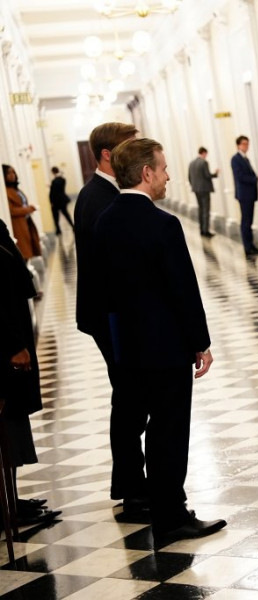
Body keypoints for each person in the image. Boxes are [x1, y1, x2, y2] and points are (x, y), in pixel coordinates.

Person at [93, 137, 225, 546]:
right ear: (147, 173)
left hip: (129, 345)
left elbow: (102, 289)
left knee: (148, 427)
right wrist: (200, 342)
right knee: (169, 431)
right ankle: (171, 516)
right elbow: (182, 289)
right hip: (166, 346)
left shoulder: (105, 221)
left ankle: (162, 504)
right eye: (163, 168)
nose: (168, 176)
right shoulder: (162, 223)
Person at [73, 122, 149, 518]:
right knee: (131, 399)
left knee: (130, 397)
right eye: (130, 146)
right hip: (111, 316)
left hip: (112, 313)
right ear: (108, 155)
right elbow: (117, 266)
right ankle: (133, 491)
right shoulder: (99, 198)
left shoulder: (104, 192)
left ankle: (129, 483)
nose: (138, 152)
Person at [0, 218, 61, 526]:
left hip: (13, 340)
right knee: (5, 428)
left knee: (12, 426)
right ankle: (5, 507)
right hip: (4, 350)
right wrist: (14, 345)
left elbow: (20, 280)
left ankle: (11, 499)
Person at [230, 135, 258, 257]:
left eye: (247, 144)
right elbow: (240, 177)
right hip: (245, 195)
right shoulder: (235, 159)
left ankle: (251, 246)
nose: (246, 146)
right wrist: (256, 178)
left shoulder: (245, 158)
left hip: (249, 194)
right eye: (244, 144)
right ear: (238, 145)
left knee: (248, 221)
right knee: (246, 222)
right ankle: (248, 247)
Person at [3, 165, 42, 260]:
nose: (12, 175)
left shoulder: (15, 189)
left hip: (26, 221)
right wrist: (29, 209)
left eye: (13, 172)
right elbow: (11, 211)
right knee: (23, 252)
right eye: (8, 173)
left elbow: (22, 204)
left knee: (29, 248)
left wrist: (29, 209)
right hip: (18, 224)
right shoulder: (5, 191)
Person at [187, 147, 219, 238]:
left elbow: (189, 177)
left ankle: (201, 229)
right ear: (204, 153)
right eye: (206, 154)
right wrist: (215, 174)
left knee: (201, 209)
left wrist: (194, 186)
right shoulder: (204, 162)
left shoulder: (191, 163)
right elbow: (207, 175)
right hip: (204, 189)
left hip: (196, 189)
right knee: (206, 210)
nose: (206, 156)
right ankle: (206, 231)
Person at [49, 167, 74, 235]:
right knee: (66, 214)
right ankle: (72, 226)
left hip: (56, 201)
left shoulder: (54, 181)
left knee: (55, 216)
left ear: (53, 172)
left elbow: (53, 192)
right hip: (62, 199)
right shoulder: (63, 179)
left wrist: (51, 202)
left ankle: (58, 230)